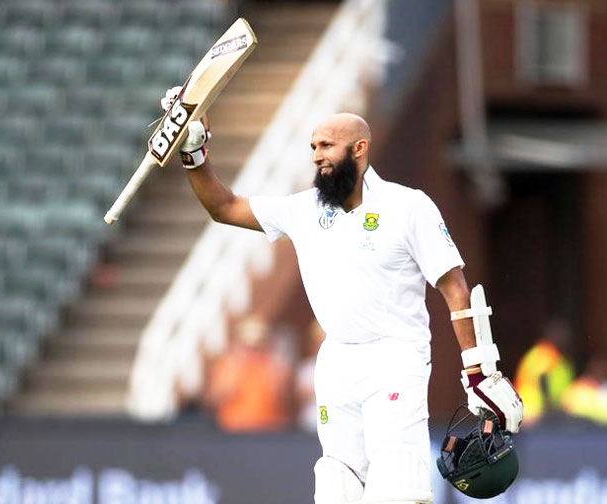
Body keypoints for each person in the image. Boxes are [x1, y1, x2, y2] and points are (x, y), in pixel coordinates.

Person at [161, 88, 523, 504]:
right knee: (337, 484)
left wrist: (479, 375)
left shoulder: (408, 207)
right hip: (335, 360)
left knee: (397, 487)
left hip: (395, 356)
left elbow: (455, 288)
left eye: (327, 145)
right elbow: (223, 207)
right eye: (313, 146)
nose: (317, 155)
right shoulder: (304, 209)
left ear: (360, 149)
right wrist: (195, 152)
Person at [204, 314, 293, 432]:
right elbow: (211, 401)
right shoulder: (226, 366)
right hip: (233, 431)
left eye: (257, 345)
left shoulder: (276, 366)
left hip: (271, 431)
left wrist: (277, 382)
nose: (252, 351)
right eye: (247, 345)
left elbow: (289, 401)